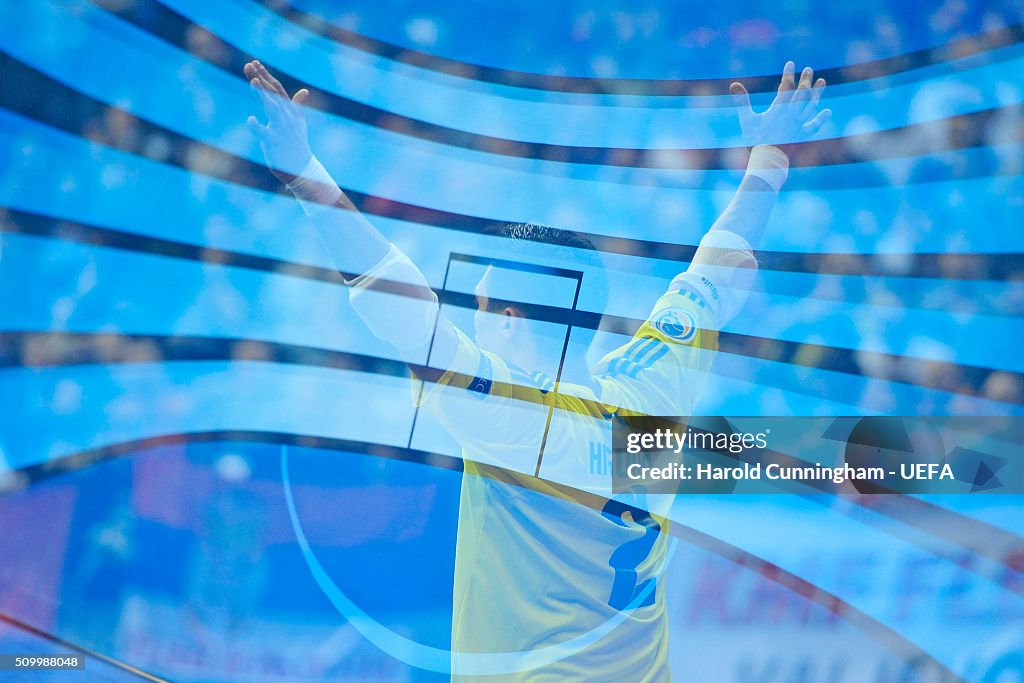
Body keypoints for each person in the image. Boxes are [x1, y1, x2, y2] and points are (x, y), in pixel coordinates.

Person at [243, 59, 830, 681]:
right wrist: (769, 161)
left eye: (479, 305)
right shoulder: (654, 381)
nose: (468, 319)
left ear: (511, 319)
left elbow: (401, 305)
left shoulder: (516, 423)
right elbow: (716, 272)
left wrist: (308, 178)